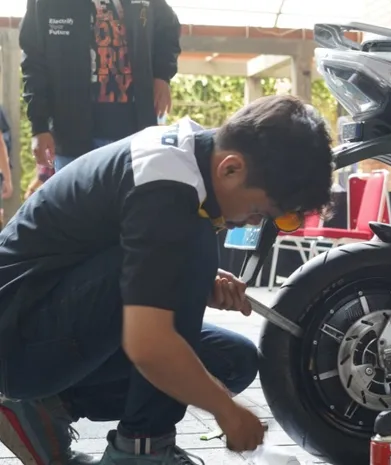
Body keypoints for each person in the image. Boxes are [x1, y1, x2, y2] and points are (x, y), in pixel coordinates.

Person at [0, 95, 334, 465]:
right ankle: (142, 449)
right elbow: (148, 345)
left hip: (43, 318)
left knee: (231, 361)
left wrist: (196, 282)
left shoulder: (191, 160)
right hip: (16, 337)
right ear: (231, 168)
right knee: (192, 250)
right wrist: (228, 411)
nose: (253, 222)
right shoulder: (169, 191)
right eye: (259, 211)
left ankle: (44, 406)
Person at [19, 0, 182, 171]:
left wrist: (162, 75)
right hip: (72, 136)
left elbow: (168, 27)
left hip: (136, 137)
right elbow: (33, 61)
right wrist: (39, 126)